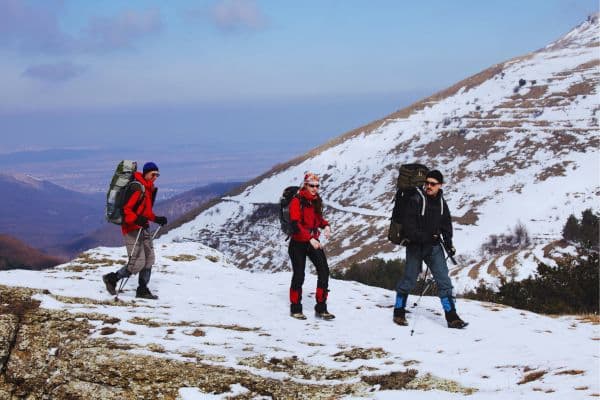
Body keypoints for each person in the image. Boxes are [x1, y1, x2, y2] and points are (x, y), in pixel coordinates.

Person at [393, 170, 468, 329]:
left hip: (433, 247)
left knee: (444, 280)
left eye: (432, 184)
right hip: (415, 246)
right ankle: (399, 310)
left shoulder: (441, 202)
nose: (428, 186)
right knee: (409, 279)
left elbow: (446, 224)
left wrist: (449, 243)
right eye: (427, 182)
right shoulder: (415, 199)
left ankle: (451, 316)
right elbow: (408, 227)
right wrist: (426, 237)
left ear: (440, 185)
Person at [103, 162, 168, 299]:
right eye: (153, 174)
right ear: (146, 173)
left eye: (157, 175)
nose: (155, 177)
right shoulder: (137, 187)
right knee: (138, 262)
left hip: (143, 228)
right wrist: (137, 219)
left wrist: (156, 219)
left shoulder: (148, 188)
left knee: (149, 259)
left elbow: (146, 211)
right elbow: (126, 210)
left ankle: (142, 289)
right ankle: (112, 278)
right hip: (131, 228)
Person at [288, 172, 334, 320]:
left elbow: (318, 219)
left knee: (324, 271)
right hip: (298, 243)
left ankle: (321, 308)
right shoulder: (297, 201)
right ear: (305, 185)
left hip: (312, 241)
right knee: (299, 275)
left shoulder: (315, 200)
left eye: (317, 186)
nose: (315, 188)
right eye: (312, 185)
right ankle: (295, 308)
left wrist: (326, 226)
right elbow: (295, 224)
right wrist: (309, 238)